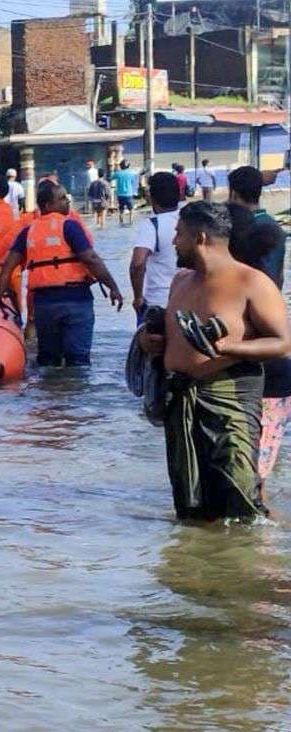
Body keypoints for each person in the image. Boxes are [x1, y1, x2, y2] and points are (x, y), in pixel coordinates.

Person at [138, 202, 291, 520]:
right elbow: (175, 331)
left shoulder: (252, 282)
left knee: (240, 497)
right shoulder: (181, 280)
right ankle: (197, 565)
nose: (173, 241)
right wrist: (148, 340)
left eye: (179, 234)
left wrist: (232, 347)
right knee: (190, 502)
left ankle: (248, 565)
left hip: (229, 397)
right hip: (181, 401)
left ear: (201, 238)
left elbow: (283, 343)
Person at [0, 182, 123, 367]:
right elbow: (91, 258)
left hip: (44, 306)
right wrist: (114, 287)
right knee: (78, 361)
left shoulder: (28, 231)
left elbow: (7, 268)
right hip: (76, 302)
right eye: (61, 199)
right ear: (46, 205)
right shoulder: (70, 226)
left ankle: (49, 393)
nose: (67, 202)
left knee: (48, 361)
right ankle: (76, 394)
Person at [228, 166, 291, 484]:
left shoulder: (235, 232)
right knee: (260, 459)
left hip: (248, 342)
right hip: (269, 324)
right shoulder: (273, 229)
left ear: (233, 193)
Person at [128, 171, 182, 325]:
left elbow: (138, 264)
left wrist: (138, 297)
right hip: (190, 299)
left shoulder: (151, 225)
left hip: (158, 302)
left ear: (151, 198)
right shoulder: (191, 219)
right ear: (180, 194)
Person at [114, 160, 138, 225]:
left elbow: (110, 177)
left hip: (120, 194)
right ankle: (131, 221)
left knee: (121, 209)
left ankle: (121, 221)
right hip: (129, 194)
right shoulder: (132, 173)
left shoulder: (118, 173)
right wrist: (135, 192)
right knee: (131, 209)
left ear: (121, 166)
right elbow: (134, 183)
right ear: (128, 166)